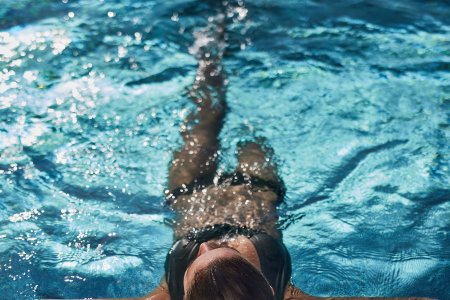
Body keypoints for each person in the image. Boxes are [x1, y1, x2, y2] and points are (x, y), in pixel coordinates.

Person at [138, 8, 432, 300]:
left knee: (204, 114)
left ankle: (209, 52)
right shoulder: (287, 293)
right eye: (231, 257)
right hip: (255, 186)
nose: (206, 245)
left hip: (189, 192)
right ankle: (262, 56)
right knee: (256, 126)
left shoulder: (164, 295)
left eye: (199, 255)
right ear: (268, 289)